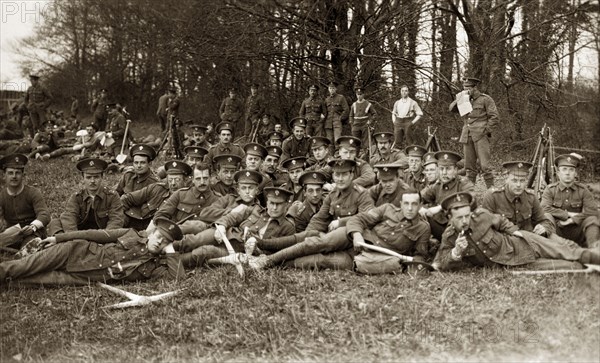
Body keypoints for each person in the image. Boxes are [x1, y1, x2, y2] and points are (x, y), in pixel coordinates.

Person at [248, 159, 375, 270]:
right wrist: (306, 239)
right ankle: (264, 245)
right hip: (333, 242)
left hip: (353, 248)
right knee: (308, 237)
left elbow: (367, 218)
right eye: (337, 174)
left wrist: (341, 222)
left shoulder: (362, 194)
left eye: (344, 174)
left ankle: (269, 261)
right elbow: (319, 220)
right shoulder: (333, 195)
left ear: (352, 174)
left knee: (320, 259)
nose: (340, 178)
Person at [433, 192, 600, 271]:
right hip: (513, 264)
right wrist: (456, 253)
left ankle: (594, 257)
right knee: (570, 266)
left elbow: (501, 220)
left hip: (525, 242)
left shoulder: (481, 216)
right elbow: (441, 263)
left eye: (467, 216)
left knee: (568, 251)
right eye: (459, 218)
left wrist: (515, 231)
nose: (465, 221)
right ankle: (589, 267)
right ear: (450, 218)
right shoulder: (450, 237)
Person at [0, 218, 185, 286]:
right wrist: (58, 239)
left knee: (24, 281)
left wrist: (171, 251)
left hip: (83, 278)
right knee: (24, 266)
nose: (160, 241)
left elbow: (176, 279)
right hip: (74, 252)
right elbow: (94, 234)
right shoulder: (131, 233)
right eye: (159, 236)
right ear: (152, 232)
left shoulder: (154, 267)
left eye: (165, 241)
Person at [175, 187, 295, 268]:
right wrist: (222, 225)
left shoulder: (288, 227)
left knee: (203, 252)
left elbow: (280, 252)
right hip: (226, 235)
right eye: (271, 203)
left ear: (286, 205)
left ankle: (167, 263)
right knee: (194, 240)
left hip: (238, 253)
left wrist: (259, 252)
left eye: (278, 204)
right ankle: (161, 247)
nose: (274, 208)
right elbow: (233, 217)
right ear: (267, 203)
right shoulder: (255, 209)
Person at [350, 190, 432, 274]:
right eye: (406, 203)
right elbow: (358, 219)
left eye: (414, 204)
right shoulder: (387, 209)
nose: (410, 208)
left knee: (338, 261)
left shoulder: (423, 227)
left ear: (420, 205)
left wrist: (415, 266)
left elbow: (420, 255)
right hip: (358, 240)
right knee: (337, 238)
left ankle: (358, 264)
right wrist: (356, 234)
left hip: (378, 256)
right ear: (401, 204)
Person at [47, 158, 123, 236]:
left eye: (96, 177)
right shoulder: (77, 197)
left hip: (103, 235)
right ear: (83, 178)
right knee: (55, 222)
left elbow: (116, 221)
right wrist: (74, 237)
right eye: (88, 177)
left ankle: (64, 242)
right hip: (80, 234)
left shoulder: (112, 196)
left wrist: (104, 237)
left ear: (102, 177)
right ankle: (67, 241)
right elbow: (69, 217)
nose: (92, 181)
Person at [482, 161, 554, 238]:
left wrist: (543, 228)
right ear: (507, 179)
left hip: (527, 242)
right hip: (503, 243)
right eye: (514, 180)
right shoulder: (493, 196)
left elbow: (544, 220)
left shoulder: (531, 197)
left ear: (526, 180)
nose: (518, 185)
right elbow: (484, 225)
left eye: (522, 181)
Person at [449, 77, 499, 188]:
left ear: (475, 88)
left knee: (485, 166)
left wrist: (486, 131)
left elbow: (494, 117)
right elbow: (451, 109)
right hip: (467, 135)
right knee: (469, 168)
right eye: (464, 88)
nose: (466, 90)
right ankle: (470, 192)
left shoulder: (485, 99)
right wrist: (460, 98)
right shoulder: (464, 99)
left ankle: (491, 192)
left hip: (481, 136)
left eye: (468, 88)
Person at [541, 155, 599, 248]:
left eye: (571, 170)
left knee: (592, 220)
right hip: (557, 231)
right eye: (564, 169)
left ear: (575, 173)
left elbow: (593, 211)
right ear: (558, 173)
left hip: (577, 230)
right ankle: (552, 249)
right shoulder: (550, 189)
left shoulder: (583, 190)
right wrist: (567, 214)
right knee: (546, 217)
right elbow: (544, 208)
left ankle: (594, 251)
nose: (567, 173)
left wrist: (572, 220)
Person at [419, 151, 475, 241]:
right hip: (442, 228)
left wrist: (441, 207)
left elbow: (472, 200)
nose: (444, 173)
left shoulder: (464, 184)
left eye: (448, 169)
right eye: (441, 169)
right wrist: (422, 208)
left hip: (461, 229)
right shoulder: (437, 185)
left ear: (456, 170)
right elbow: (420, 196)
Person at [121, 160, 192, 231]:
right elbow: (128, 198)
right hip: (135, 221)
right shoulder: (157, 188)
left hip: (158, 231)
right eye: (170, 180)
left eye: (177, 180)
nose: (173, 183)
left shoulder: (188, 198)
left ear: (185, 181)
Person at [0, 154, 50, 248]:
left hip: (33, 232)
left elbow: (45, 215)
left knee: (30, 245)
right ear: (4, 176)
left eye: (17, 173)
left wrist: (33, 227)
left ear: (23, 175)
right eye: (10, 173)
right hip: (12, 234)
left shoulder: (33, 192)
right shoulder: (2, 196)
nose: (14, 176)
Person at [154, 162, 219, 223]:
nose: (202, 182)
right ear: (193, 179)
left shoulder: (218, 199)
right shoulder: (180, 194)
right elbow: (160, 215)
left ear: (210, 178)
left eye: (205, 178)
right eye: (198, 179)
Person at [196, 170, 264, 224]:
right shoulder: (229, 199)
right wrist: (231, 211)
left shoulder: (259, 211)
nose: (247, 192)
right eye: (243, 188)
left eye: (250, 188)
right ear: (238, 191)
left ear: (257, 190)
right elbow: (204, 213)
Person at [24, 73, 53, 138]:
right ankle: (35, 139)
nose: (31, 82)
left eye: (32, 80)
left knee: (43, 124)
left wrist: (44, 105)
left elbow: (50, 98)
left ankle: (45, 138)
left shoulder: (43, 88)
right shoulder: (29, 89)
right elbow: (26, 99)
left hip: (40, 109)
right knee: (34, 125)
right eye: (31, 80)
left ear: (36, 81)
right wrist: (27, 106)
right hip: (32, 109)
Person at [349, 87, 376, 154]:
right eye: (358, 94)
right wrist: (352, 124)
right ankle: (355, 157)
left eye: (360, 94)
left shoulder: (368, 104)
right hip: (356, 125)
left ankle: (367, 157)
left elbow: (374, 114)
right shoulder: (354, 105)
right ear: (356, 95)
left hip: (365, 124)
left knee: (366, 143)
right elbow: (351, 115)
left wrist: (370, 121)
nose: (359, 96)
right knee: (355, 142)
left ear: (363, 95)